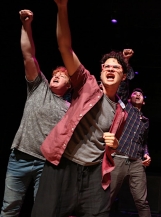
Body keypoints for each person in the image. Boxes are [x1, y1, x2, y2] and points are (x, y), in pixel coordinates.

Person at [31, 0, 128, 216]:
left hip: (94, 173)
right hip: (62, 165)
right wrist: (62, 7)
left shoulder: (121, 111)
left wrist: (114, 143)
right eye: (107, 66)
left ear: (123, 75)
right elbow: (64, 47)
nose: (111, 69)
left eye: (116, 67)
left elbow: (111, 145)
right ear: (101, 71)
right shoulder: (87, 83)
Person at [0, 9, 71, 217]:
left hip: (46, 165)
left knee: (42, 212)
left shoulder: (70, 108)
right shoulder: (39, 87)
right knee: (9, 208)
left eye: (62, 75)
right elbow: (28, 54)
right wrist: (26, 25)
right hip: (19, 157)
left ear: (69, 85)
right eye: (55, 74)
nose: (56, 76)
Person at [109, 86, 151, 217]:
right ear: (129, 98)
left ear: (144, 101)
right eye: (135, 93)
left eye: (140, 94)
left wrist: (146, 153)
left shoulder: (145, 121)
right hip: (119, 157)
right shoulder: (125, 109)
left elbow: (144, 141)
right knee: (107, 197)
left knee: (142, 201)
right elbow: (120, 91)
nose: (138, 95)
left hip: (136, 162)